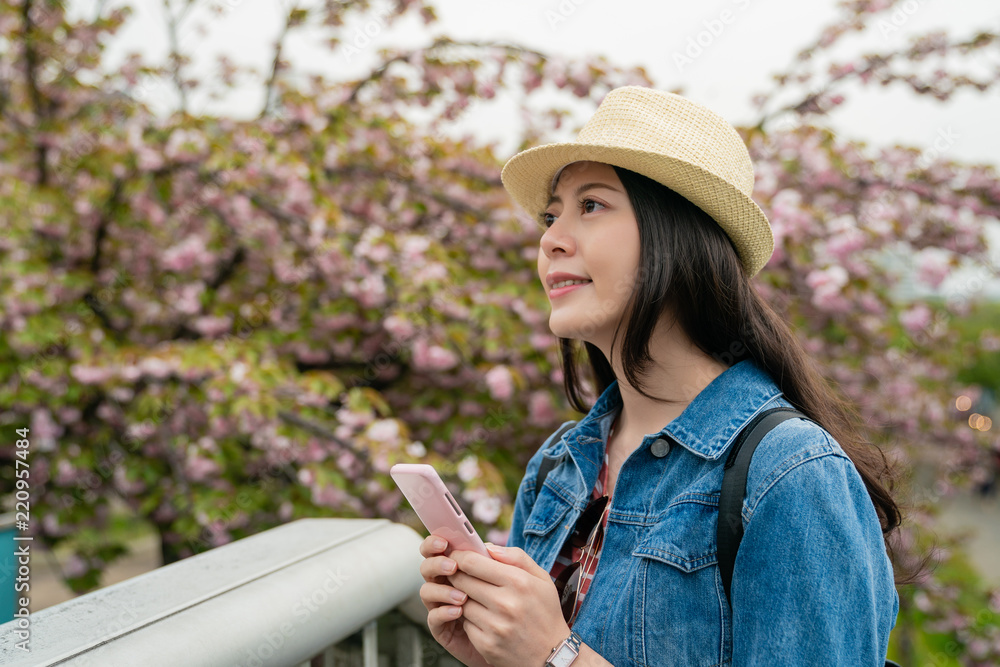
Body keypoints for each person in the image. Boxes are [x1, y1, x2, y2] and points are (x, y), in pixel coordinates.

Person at [417, 86, 900, 667]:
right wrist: (492, 653)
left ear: (678, 235)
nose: (550, 240)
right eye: (552, 215)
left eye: (590, 205)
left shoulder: (790, 475)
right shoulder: (559, 465)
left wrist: (555, 656)